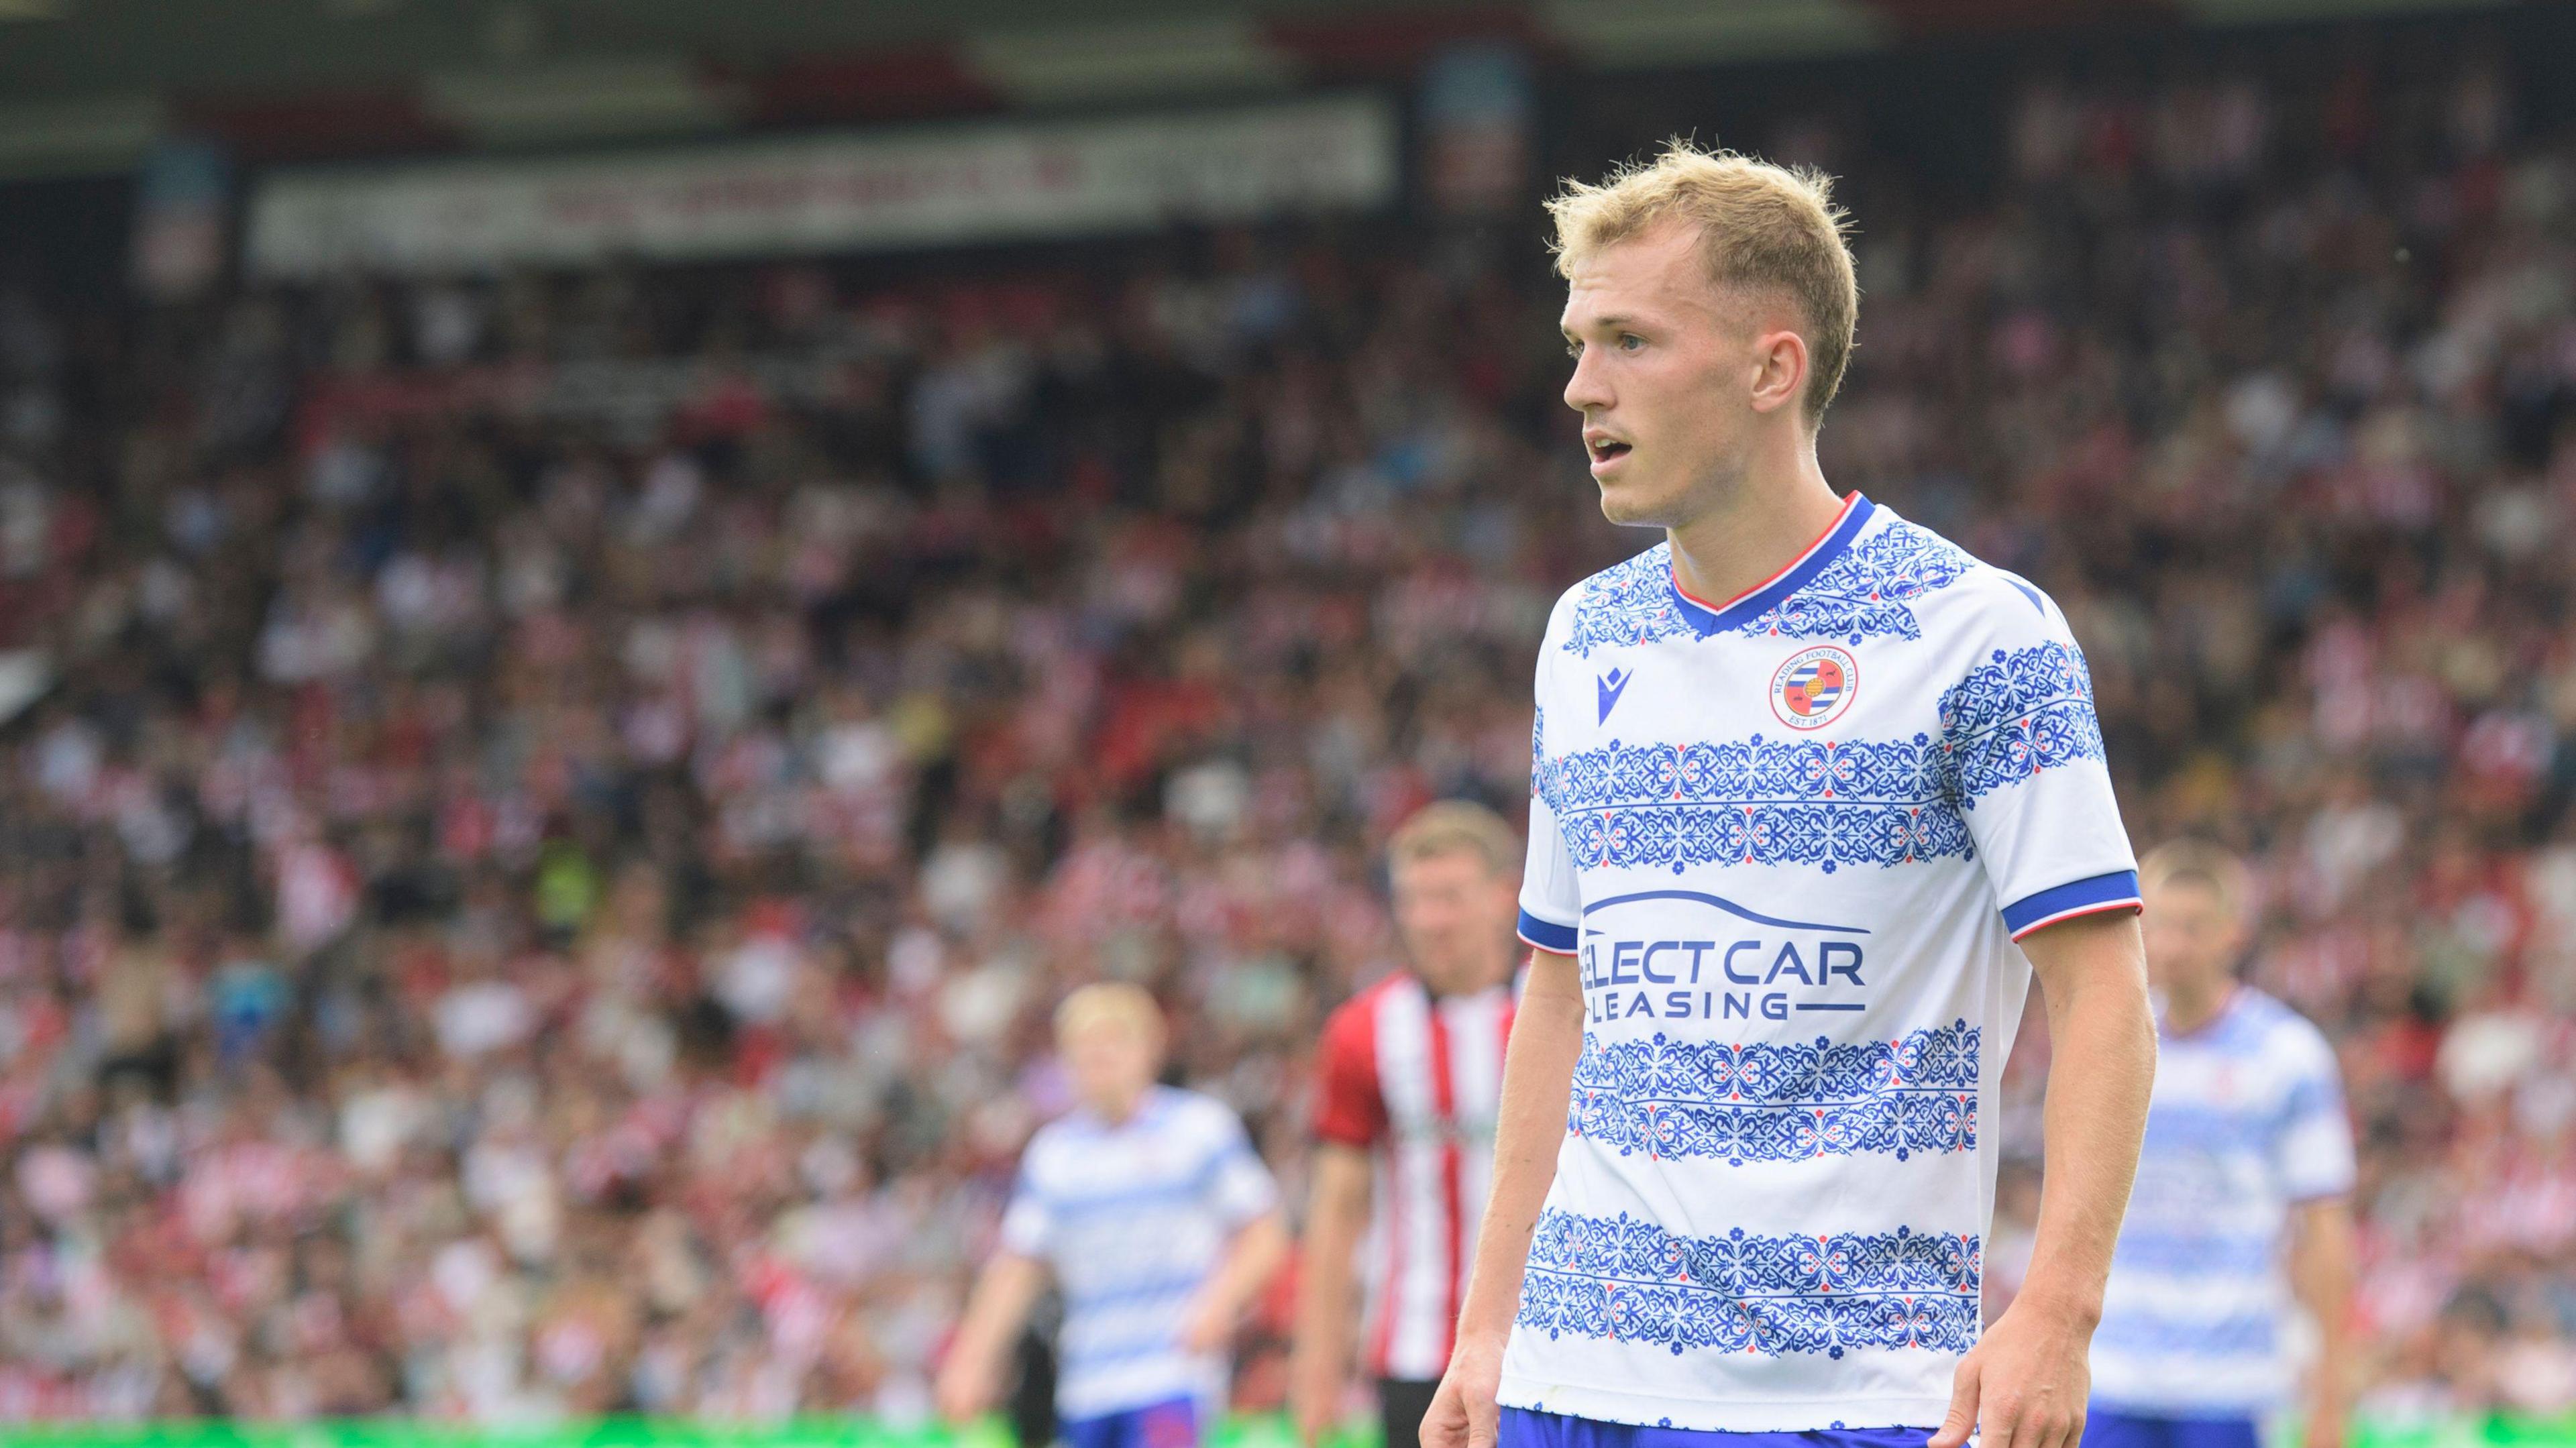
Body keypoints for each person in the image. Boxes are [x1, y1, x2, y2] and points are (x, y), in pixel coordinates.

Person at [1420, 141, 2161, 1448]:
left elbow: (2103, 991)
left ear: (1773, 367)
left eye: (1633, 341)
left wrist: (2059, 1312)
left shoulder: (1978, 634)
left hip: (1841, 1396)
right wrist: (1489, 1324)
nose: (1583, 385)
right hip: (1564, 1377)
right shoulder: (1585, 635)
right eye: (1580, 341)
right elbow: (1559, 988)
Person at [2084, 843, 2357, 1448]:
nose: (2173, 945)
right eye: (2160, 926)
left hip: (2231, 1384)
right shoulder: (2115, 1048)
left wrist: (2332, 1399)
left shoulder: (2288, 1056)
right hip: (2116, 1373)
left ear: (2234, 933)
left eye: (2193, 928)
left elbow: (2326, 1232)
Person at [938, 983, 1290, 1448]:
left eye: (1112, 1043)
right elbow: (1018, 1267)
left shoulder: (1198, 1129)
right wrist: (972, 1360)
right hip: (1088, 1381)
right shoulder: (1056, 1154)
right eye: (1084, 1048)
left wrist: (1218, 1303)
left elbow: (1265, 1233)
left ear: (1149, 1048)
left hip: (1173, 1373)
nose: (1098, 1058)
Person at [1292, 802, 1525, 1448]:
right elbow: (1337, 1210)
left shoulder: (1559, 1015)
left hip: (1542, 1344)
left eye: (1449, 897)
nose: (1430, 919)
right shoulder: (1362, 1030)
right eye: (1414, 899)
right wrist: (1317, 1367)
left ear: (1507, 894)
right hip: (1412, 1350)